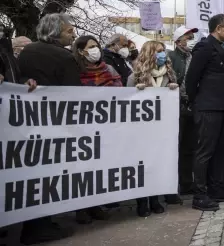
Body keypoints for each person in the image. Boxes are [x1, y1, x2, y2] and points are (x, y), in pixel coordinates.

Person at [16, 14, 78, 244]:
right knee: (48, 175)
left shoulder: (28, 51)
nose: (73, 35)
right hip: (56, 123)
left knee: (33, 174)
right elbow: (75, 94)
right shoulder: (64, 57)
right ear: (55, 32)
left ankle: (38, 223)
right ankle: (38, 229)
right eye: (69, 31)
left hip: (28, 122)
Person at [186, 14, 224, 211]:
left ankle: (218, 188)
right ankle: (199, 194)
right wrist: (195, 102)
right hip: (208, 107)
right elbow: (192, 78)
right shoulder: (205, 46)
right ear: (218, 28)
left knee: (221, 150)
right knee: (205, 151)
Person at [70, 35, 121, 223]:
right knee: (82, 167)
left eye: (97, 46)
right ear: (81, 50)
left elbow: (120, 90)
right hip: (82, 126)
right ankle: (80, 209)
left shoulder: (109, 69)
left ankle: (95, 205)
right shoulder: (74, 70)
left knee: (99, 166)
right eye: (91, 47)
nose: (95, 50)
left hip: (105, 125)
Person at [127, 41, 179, 215]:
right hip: (141, 129)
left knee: (158, 162)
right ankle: (142, 201)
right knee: (142, 164)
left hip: (163, 129)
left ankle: (155, 199)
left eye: (163, 51)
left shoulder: (169, 74)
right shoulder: (136, 75)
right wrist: (136, 91)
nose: (162, 54)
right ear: (149, 53)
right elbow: (126, 102)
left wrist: (174, 89)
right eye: (158, 51)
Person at [167, 25, 199, 200]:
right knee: (175, 148)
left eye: (191, 37)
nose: (190, 40)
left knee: (189, 147)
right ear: (178, 40)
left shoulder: (193, 57)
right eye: (187, 37)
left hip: (190, 106)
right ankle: (172, 187)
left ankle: (187, 183)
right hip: (176, 106)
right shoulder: (171, 57)